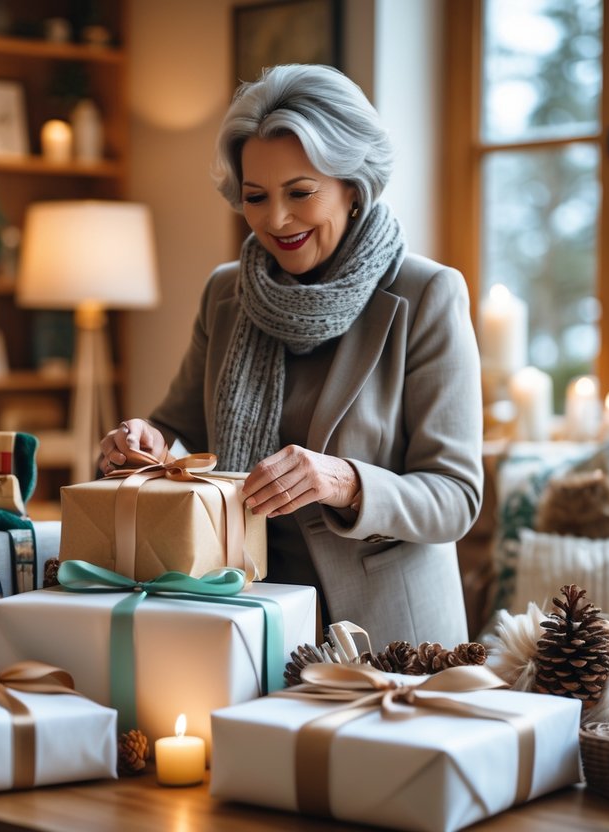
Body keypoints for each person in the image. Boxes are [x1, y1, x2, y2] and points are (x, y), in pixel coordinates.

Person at [98, 64, 483, 649]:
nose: (276, 220)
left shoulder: (426, 294)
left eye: (300, 192)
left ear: (353, 185)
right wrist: (147, 445)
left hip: (387, 639)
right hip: (244, 618)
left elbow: (455, 498)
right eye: (256, 197)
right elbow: (179, 433)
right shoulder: (225, 293)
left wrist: (346, 481)